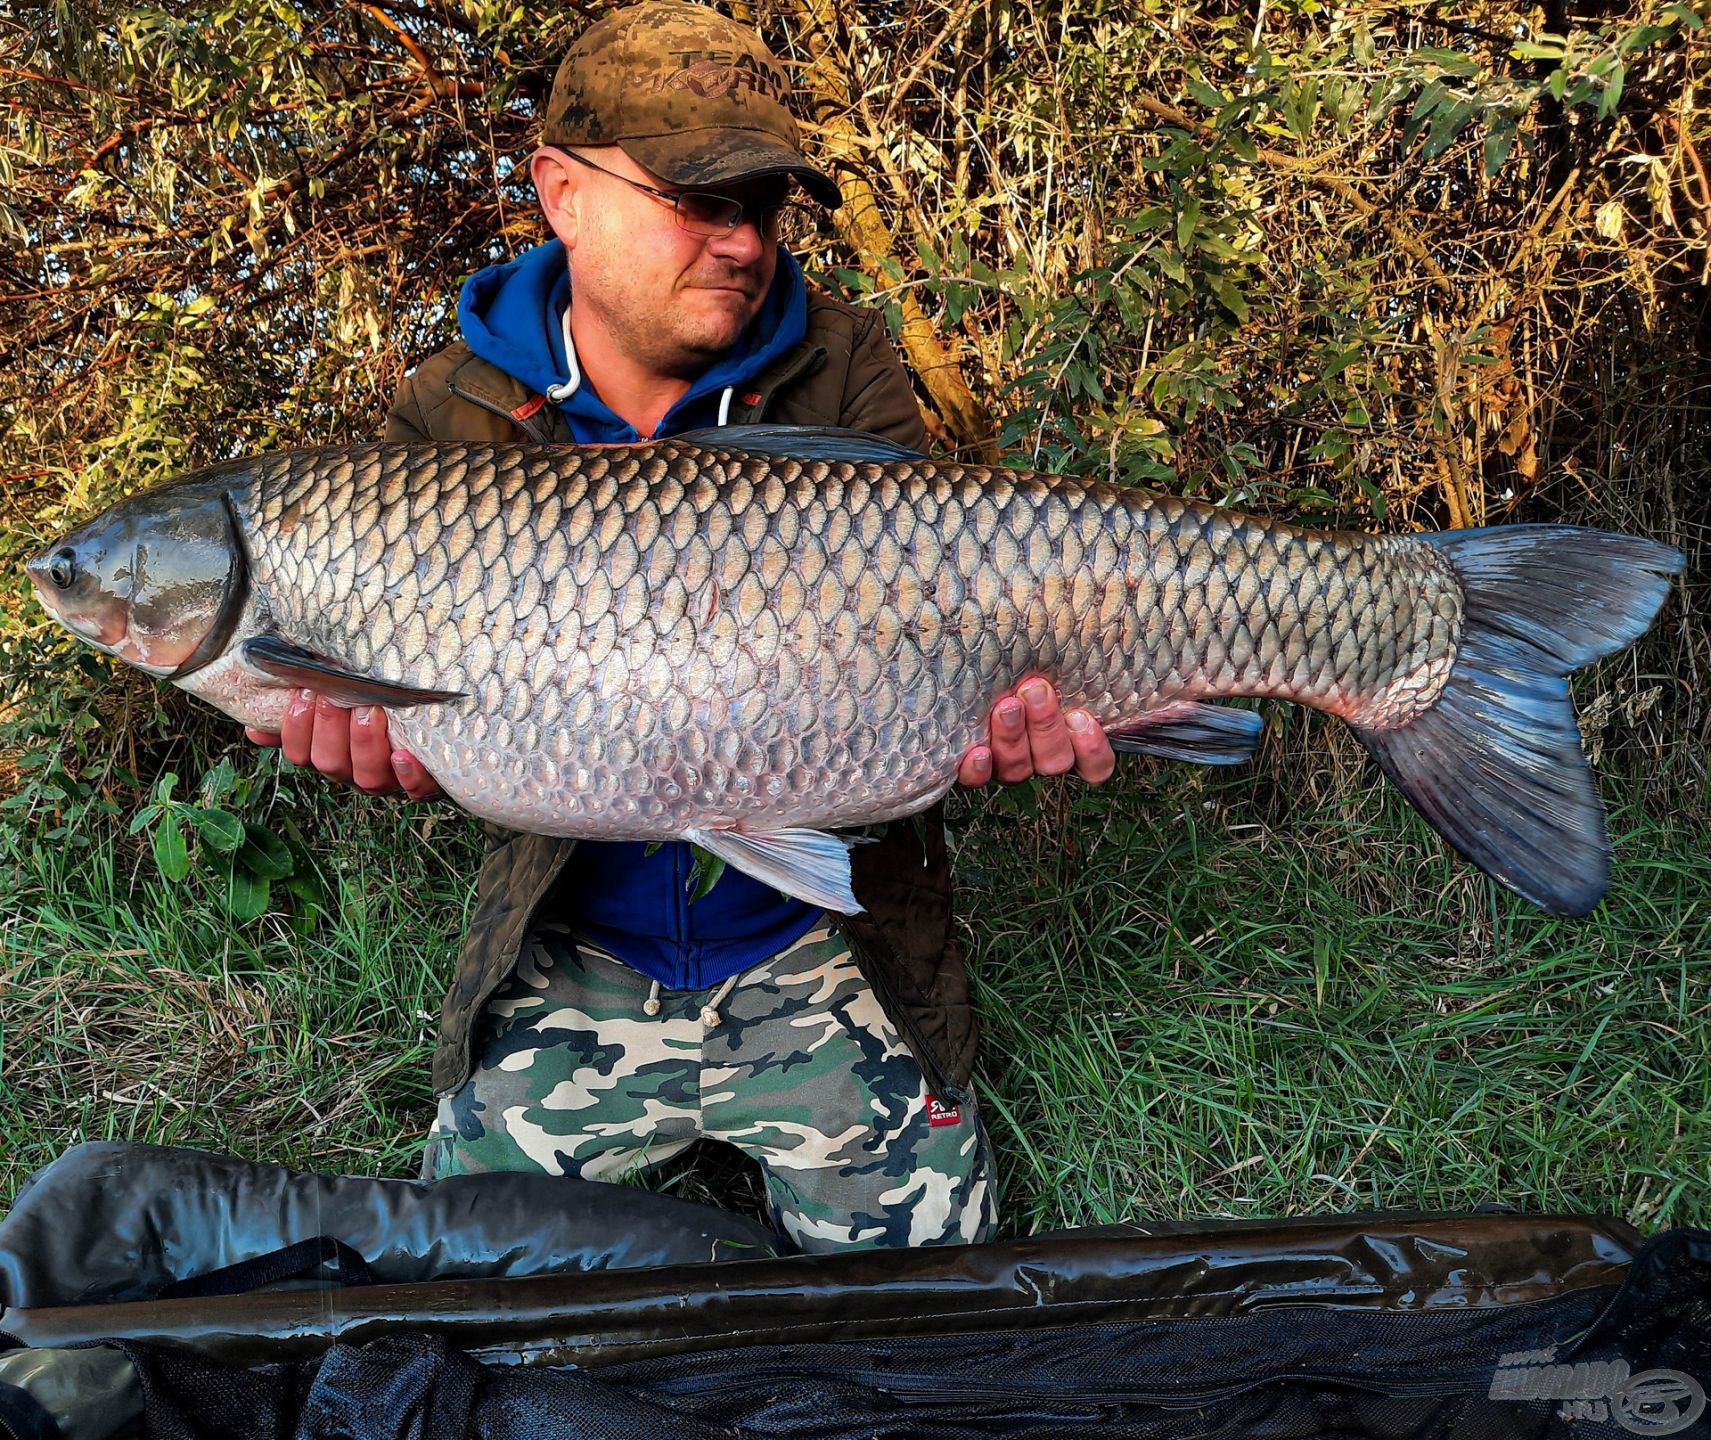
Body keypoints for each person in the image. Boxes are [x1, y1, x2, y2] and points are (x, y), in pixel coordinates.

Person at [249, 0, 1114, 1252]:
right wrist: (374, 752)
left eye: (761, 204)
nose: (745, 242)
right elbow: (416, 728)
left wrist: (1010, 714)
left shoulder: (848, 368)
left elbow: (944, 645)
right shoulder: (449, 417)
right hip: (575, 940)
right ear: (562, 191)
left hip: (822, 934)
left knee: (933, 1317)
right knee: (461, 1299)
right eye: (698, 199)